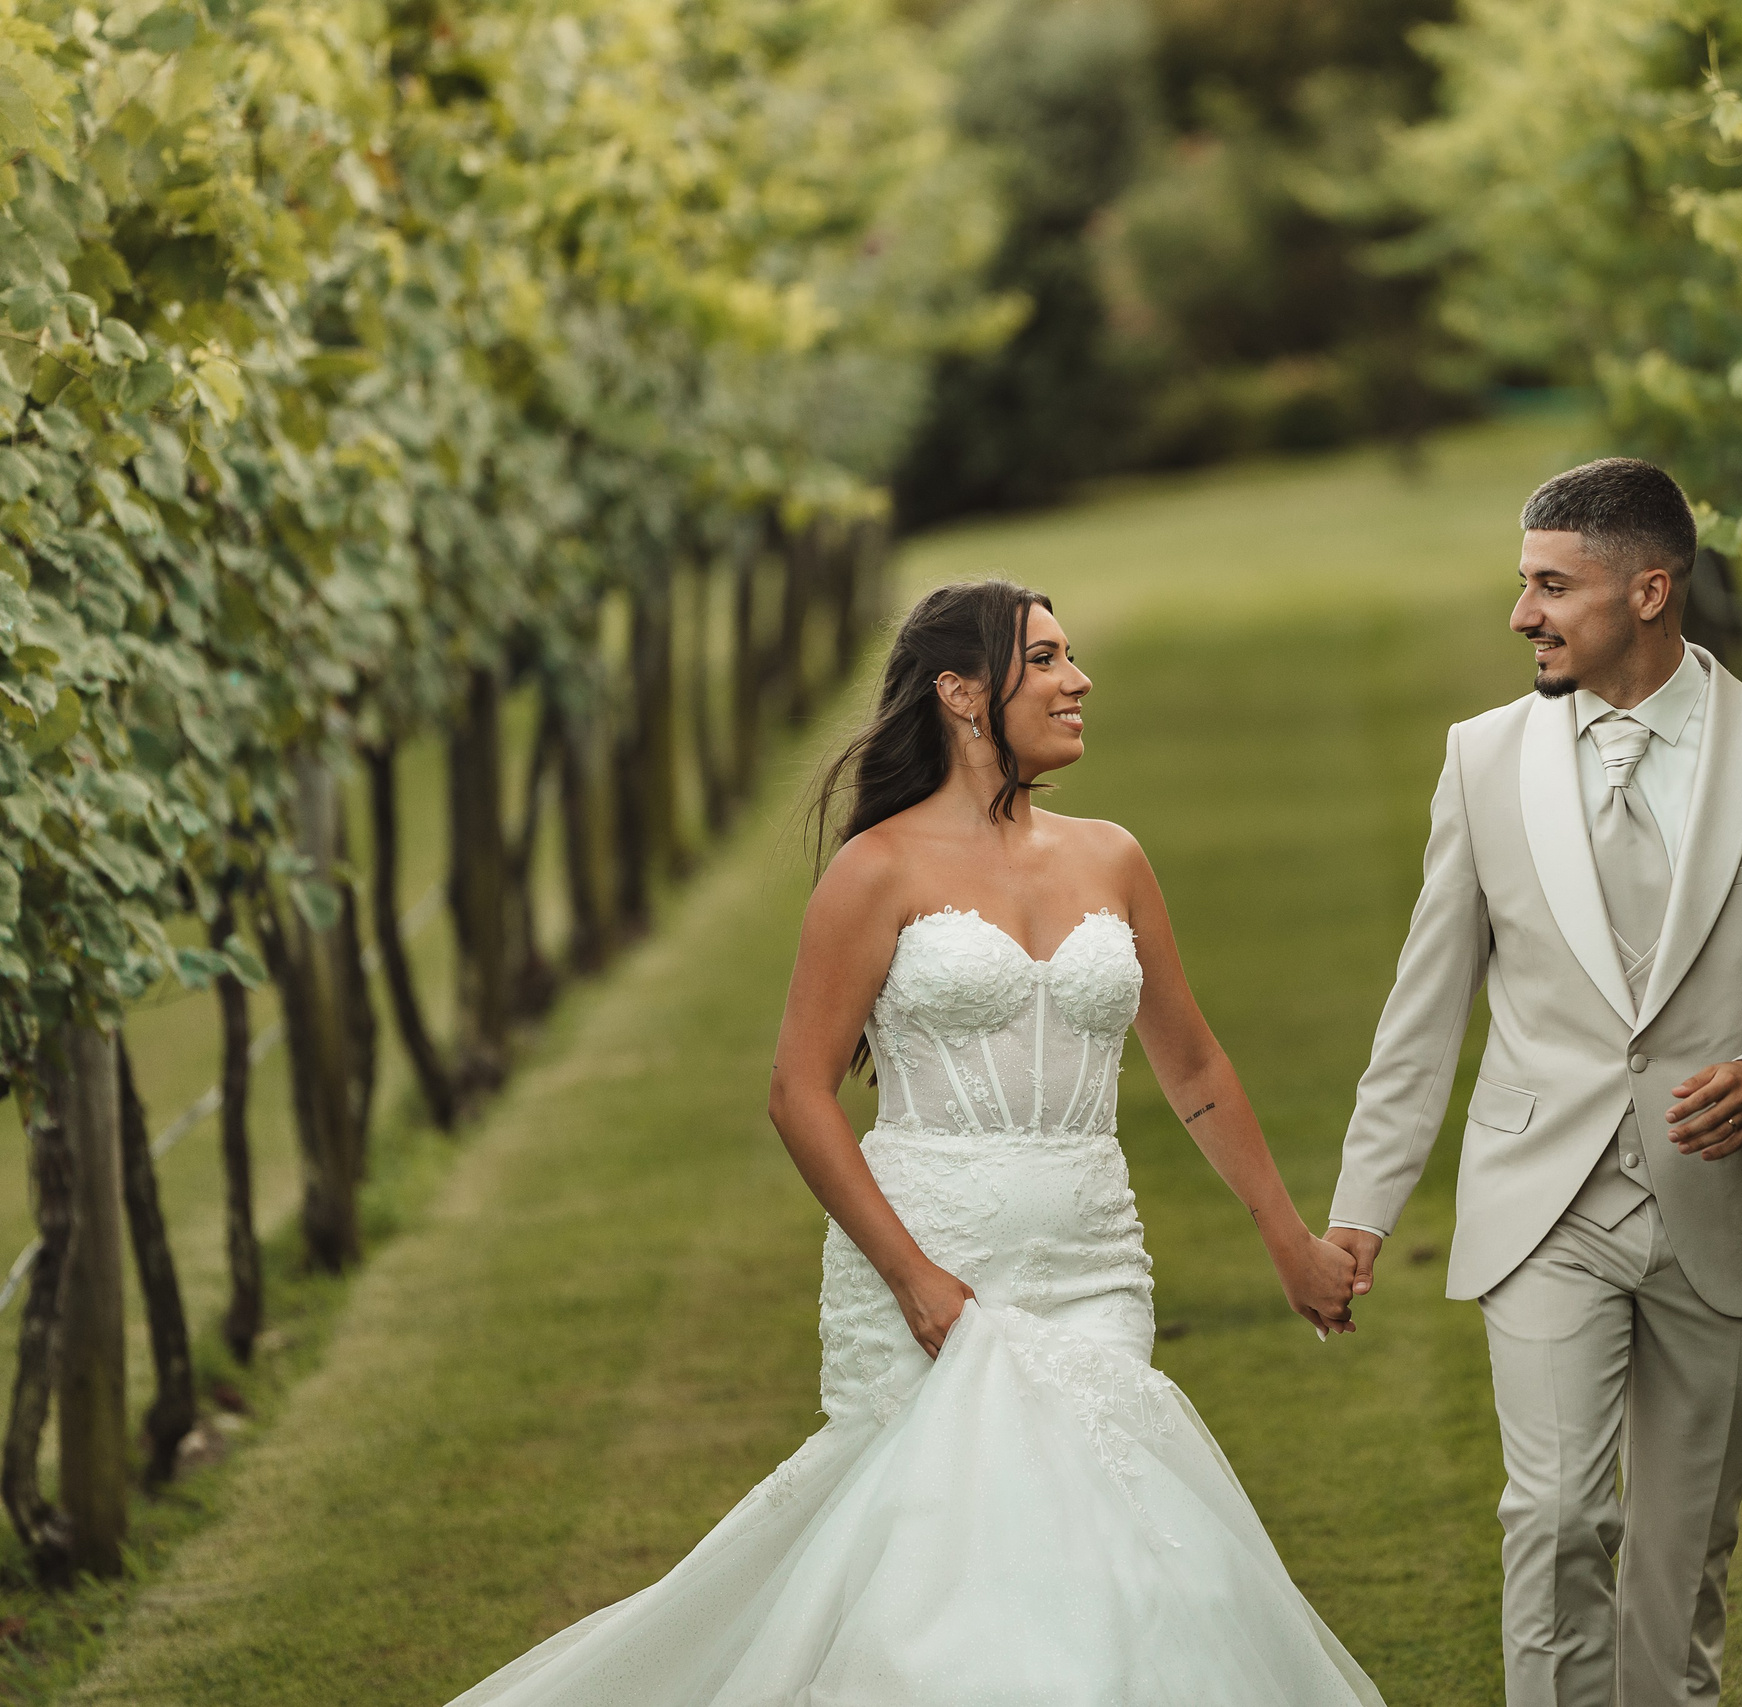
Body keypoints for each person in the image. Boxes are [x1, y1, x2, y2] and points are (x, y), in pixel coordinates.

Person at [446, 579, 1380, 1707]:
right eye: (1044, 659)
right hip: (930, 1261)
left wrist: (1285, 1237)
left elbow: (1192, 1066)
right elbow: (799, 1092)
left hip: (1092, 1262)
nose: (1078, 681)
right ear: (961, 693)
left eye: (1068, 656)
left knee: (1112, 1564)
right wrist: (916, 1279)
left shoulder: (1112, 858)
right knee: (943, 1579)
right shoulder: (876, 871)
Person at [1324, 458, 1742, 1707]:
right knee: (1557, 1514)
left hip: (1722, 1200)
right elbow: (1425, 1005)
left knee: (1683, 1555)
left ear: (1649, 588)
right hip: (1546, 1201)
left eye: (1549, 586)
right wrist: (1363, 1208)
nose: (1521, 614)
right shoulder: (1481, 761)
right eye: (1521, 583)